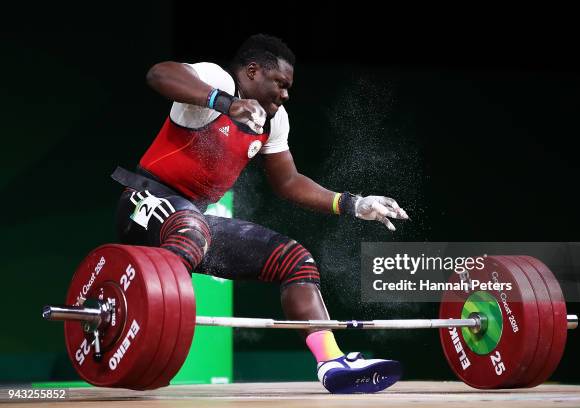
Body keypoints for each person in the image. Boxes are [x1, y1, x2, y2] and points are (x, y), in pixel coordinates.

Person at [112, 34, 409, 394]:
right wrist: (223, 104)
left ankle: (331, 361)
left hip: (193, 222)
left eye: (288, 88)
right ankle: (142, 325)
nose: (285, 94)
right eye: (280, 84)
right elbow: (159, 74)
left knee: (296, 259)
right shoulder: (218, 81)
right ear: (252, 72)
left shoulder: (274, 120)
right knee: (192, 229)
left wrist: (352, 203)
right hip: (143, 202)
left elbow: (287, 182)